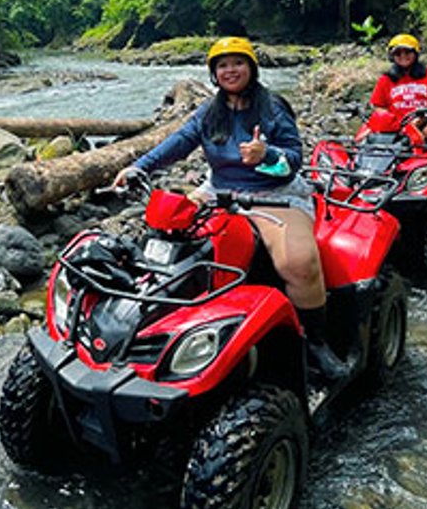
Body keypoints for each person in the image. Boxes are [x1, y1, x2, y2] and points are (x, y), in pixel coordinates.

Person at [112, 36, 350, 382]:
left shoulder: (273, 107)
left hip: (275, 193)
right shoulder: (209, 112)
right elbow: (178, 144)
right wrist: (140, 167)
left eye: (237, 63)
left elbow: (293, 160)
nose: (230, 70)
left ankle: (315, 343)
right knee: (165, 236)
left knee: (298, 264)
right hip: (218, 190)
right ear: (213, 73)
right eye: (222, 65)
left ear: (251, 67)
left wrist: (266, 155)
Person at [367, 33, 427, 150]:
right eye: (398, 53)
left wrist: (423, 118)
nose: (403, 56)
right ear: (392, 56)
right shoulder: (385, 80)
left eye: (407, 52)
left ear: (415, 54)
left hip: (426, 125)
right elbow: (378, 107)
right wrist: (392, 122)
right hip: (395, 128)